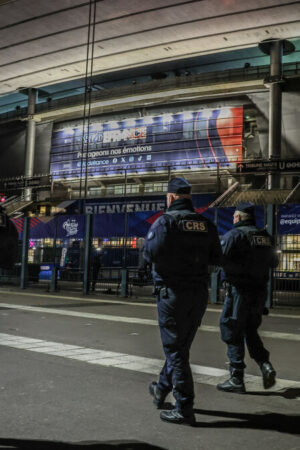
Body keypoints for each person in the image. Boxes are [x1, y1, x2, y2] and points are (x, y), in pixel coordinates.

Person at [143, 177, 222, 425]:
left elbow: (150, 254)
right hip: (198, 294)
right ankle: (161, 388)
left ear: (170, 197)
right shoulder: (206, 224)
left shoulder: (165, 222)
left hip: (172, 294)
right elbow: (216, 259)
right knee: (181, 347)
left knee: (176, 351)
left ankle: (184, 406)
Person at [217, 202, 279, 394]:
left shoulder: (234, 235)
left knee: (231, 330)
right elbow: (274, 262)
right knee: (250, 330)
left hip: (239, 293)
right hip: (259, 293)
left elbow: (219, 258)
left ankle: (237, 377)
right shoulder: (265, 237)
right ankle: (265, 365)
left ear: (237, 217)